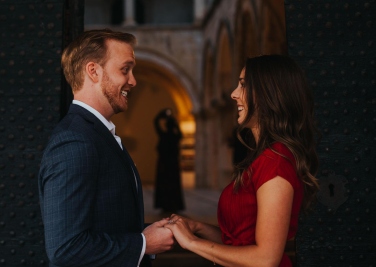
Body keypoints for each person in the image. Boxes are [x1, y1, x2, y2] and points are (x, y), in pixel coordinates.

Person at [164, 55, 319, 267]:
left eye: (244, 85)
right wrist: (199, 228)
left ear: (269, 94)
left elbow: (265, 259)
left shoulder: (276, 162)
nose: (234, 94)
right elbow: (240, 243)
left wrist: (191, 242)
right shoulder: (263, 157)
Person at [38, 29, 174, 267]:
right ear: (93, 71)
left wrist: (148, 232)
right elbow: (65, 249)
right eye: (125, 69)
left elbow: (105, 224)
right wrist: (143, 243)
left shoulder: (95, 134)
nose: (133, 80)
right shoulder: (75, 141)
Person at [153, 108, 185, 213]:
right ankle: (173, 204)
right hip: (172, 165)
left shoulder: (164, 135)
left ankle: (165, 204)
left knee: (165, 185)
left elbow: (156, 123)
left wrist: (162, 115)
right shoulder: (175, 136)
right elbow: (180, 134)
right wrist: (175, 122)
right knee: (173, 185)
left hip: (164, 165)